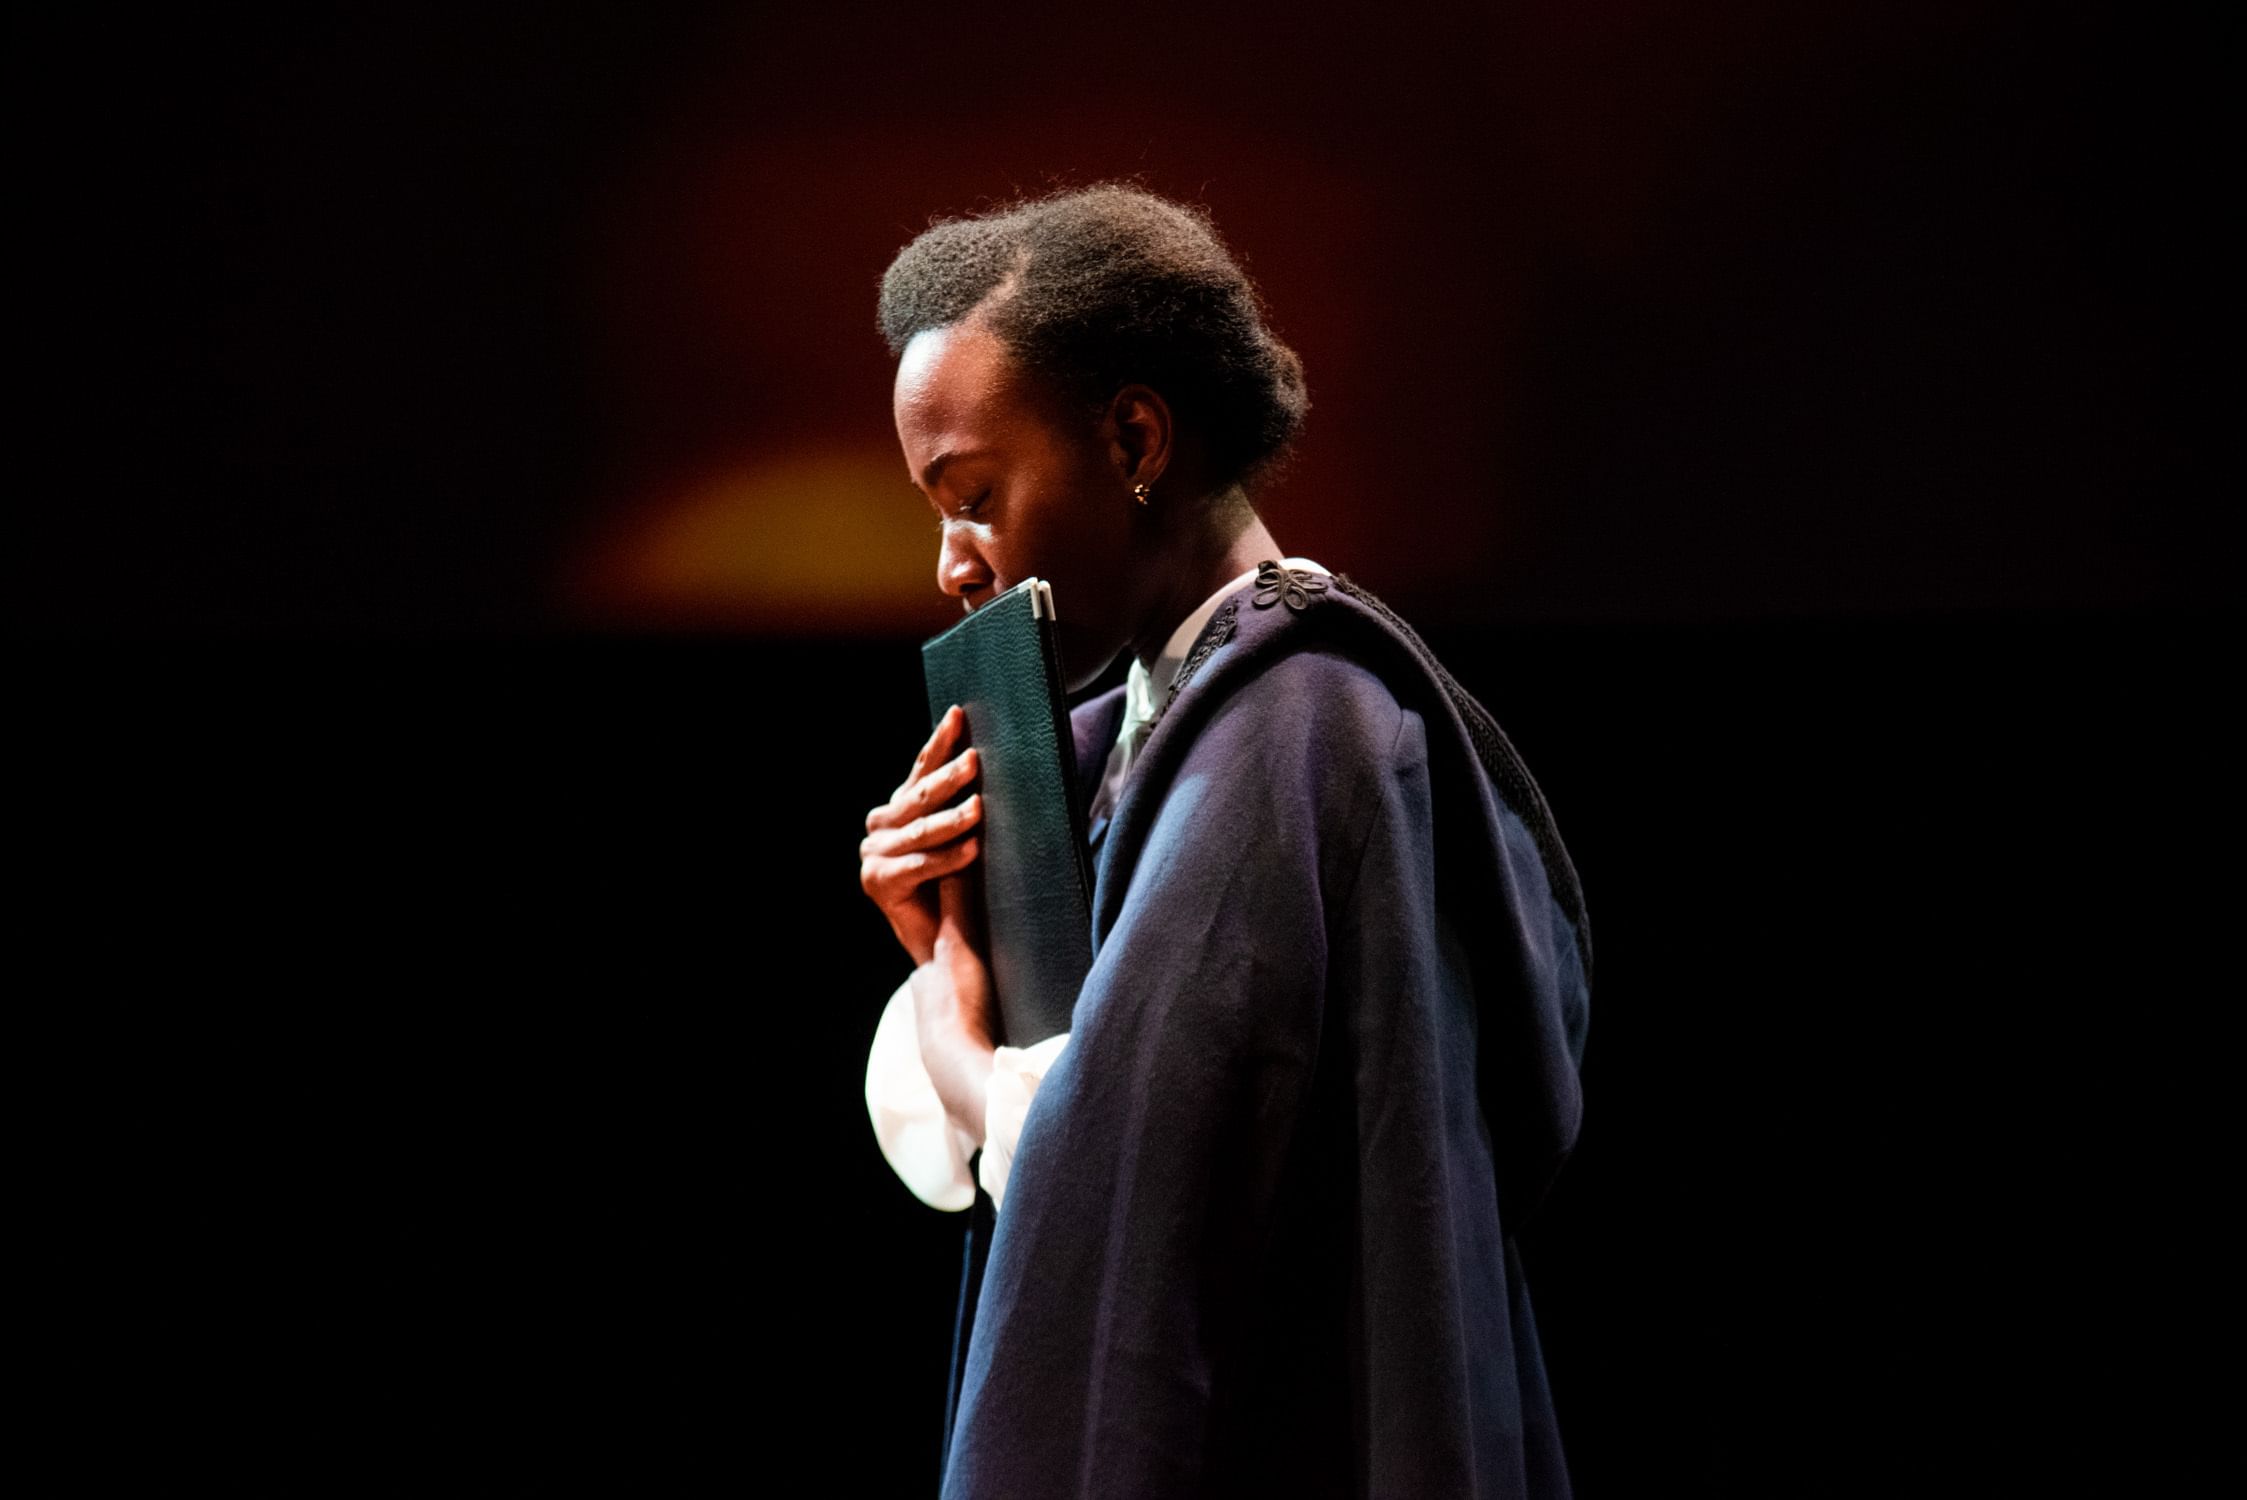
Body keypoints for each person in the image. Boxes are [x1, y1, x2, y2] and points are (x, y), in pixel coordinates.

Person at [854, 183, 1592, 1499]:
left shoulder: (1293, 733)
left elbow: (1143, 1176)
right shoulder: (1156, 727)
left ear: (1135, 437)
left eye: (974, 497)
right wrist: (948, 943)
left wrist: (965, 1054)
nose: (953, 565)